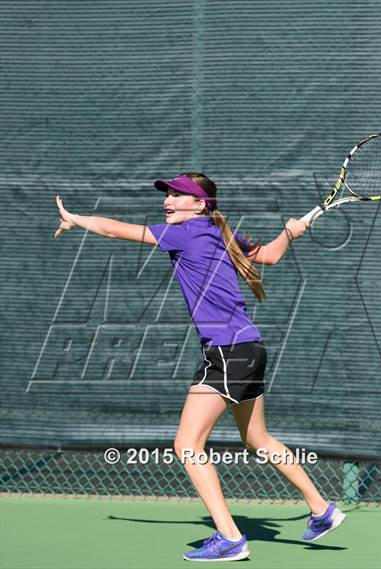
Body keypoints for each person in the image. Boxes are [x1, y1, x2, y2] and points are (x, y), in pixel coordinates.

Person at [54, 172, 346, 562]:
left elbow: (114, 230)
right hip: (249, 347)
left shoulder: (188, 232)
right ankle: (322, 511)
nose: (169, 201)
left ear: (201, 204)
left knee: (187, 445)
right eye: (168, 195)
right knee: (256, 439)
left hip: (227, 352)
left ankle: (230, 537)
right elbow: (271, 255)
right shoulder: (218, 231)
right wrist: (290, 233)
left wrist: (77, 219)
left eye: (179, 195)